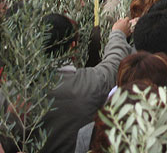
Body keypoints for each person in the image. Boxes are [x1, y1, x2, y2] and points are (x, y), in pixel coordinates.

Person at [40, 13, 131, 153]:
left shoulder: (15, 92)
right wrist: (118, 34)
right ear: (73, 46)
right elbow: (114, 64)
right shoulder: (90, 84)